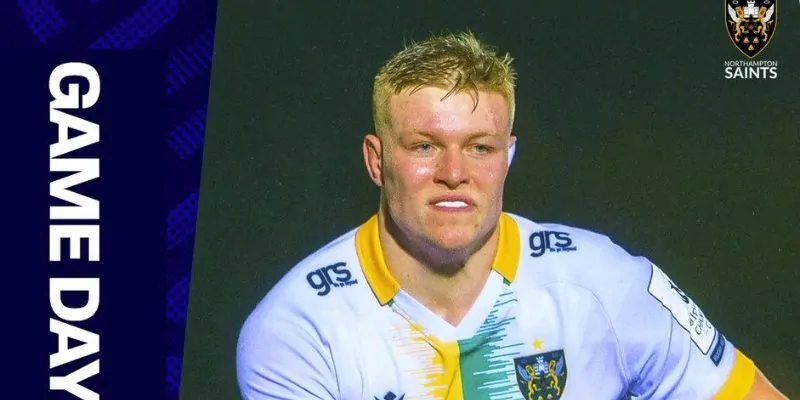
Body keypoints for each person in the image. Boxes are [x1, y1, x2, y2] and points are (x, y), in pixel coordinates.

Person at [236, 30, 787, 399]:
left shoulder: (608, 285)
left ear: (508, 157)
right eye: (425, 146)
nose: (454, 172)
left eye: (480, 147)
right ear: (377, 161)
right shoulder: (297, 331)